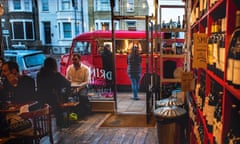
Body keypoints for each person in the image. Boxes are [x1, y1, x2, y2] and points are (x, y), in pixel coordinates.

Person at [37, 57, 71, 127]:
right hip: (54, 99)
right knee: (62, 98)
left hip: (42, 99)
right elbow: (67, 83)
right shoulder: (56, 75)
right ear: (54, 65)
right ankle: (60, 123)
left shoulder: (39, 74)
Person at [66, 53, 91, 118]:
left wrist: (78, 88)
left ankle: (84, 113)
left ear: (79, 60)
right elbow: (67, 79)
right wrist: (71, 87)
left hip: (82, 86)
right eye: (73, 60)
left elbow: (86, 81)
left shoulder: (85, 69)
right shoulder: (70, 68)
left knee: (82, 96)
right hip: (72, 86)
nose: (73, 61)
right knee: (64, 95)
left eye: (75, 59)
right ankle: (70, 112)